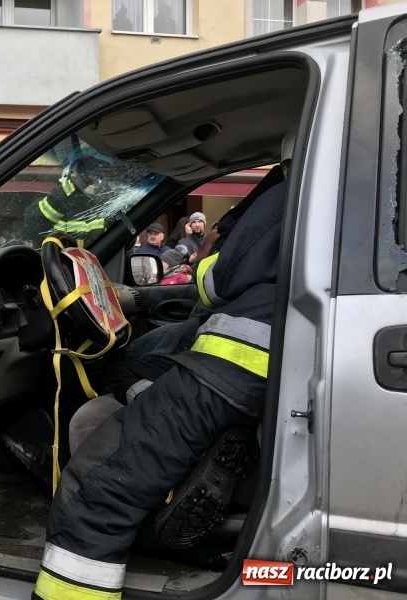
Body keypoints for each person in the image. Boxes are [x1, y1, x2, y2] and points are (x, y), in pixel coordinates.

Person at [33, 171, 288, 600]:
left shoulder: (294, 187)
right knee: (133, 373)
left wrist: (210, 255)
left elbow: (219, 282)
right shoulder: (344, 181)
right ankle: (204, 468)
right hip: (258, 366)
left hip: (232, 368)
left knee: (99, 488)